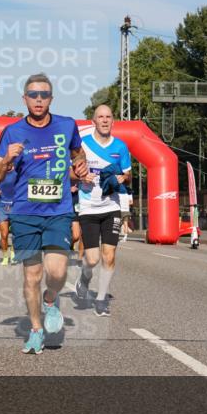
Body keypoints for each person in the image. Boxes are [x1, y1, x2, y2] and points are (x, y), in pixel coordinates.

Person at [0, 73, 88, 355]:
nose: (38, 99)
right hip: (24, 213)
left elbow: (78, 155)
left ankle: (51, 298)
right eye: (33, 95)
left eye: (44, 95)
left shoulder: (67, 126)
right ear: (24, 99)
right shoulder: (12, 132)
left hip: (58, 210)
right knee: (31, 276)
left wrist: (80, 166)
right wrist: (7, 159)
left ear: (51, 99)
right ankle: (35, 330)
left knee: (57, 272)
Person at [74, 105, 132, 316]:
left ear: (113, 121)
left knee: (109, 255)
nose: (105, 120)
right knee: (91, 259)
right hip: (89, 207)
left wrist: (122, 178)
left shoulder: (121, 147)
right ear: (93, 122)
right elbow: (70, 173)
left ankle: (101, 299)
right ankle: (83, 279)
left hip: (111, 206)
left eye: (108, 117)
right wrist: (81, 176)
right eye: (101, 117)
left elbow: (129, 175)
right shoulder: (83, 146)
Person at [0, 170, 16, 265]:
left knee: (16, 233)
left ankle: (13, 253)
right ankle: (5, 256)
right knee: (4, 234)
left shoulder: (18, 172)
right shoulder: (0, 173)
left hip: (16, 206)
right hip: (2, 207)